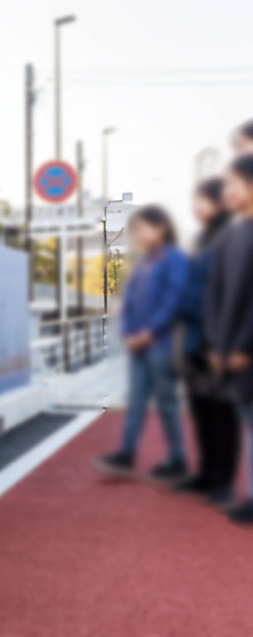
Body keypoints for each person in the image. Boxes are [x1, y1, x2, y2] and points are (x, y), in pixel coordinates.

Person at [93, 206, 189, 481]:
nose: (137, 235)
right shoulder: (144, 263)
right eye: (135, 230)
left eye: (142, 229)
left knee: (167, 402)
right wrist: (128, 333)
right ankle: (126, 454)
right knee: (136, 401)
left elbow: (174, 300)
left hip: (161, 344)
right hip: (138, 346)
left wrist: (148, 332)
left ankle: (178, 457)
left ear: (161, 228)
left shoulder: (175, 260)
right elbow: (130, 302)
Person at [173, 178, 238, 505]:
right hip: (195, 341)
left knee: (223, 414)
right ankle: (206, 472)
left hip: (217, 342)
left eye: (202, 200)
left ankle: (223, 480)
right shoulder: (202, 239)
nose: (196, 207)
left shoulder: (232, 237)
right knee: (202, 411)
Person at [205, 155, 253, 523]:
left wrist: (244, 347)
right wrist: (218, 345)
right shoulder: (232, 235)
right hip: (231, 350)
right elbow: (215, 293)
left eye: (232, 184)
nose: (226, 192)